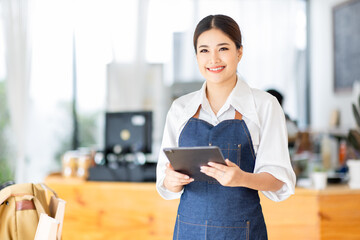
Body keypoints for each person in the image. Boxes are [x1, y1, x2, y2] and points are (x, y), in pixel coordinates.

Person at [156, 14, 296, 239]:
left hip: (243, 232)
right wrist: (171, 181)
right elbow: (165, 182)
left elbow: (280, 180)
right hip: (188, 230)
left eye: (223, 48)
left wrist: (242, 178)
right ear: (196, 56)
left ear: (239, 52)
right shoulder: (180, 108)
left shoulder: (264, 105)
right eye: (204, 50)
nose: (213, 59)